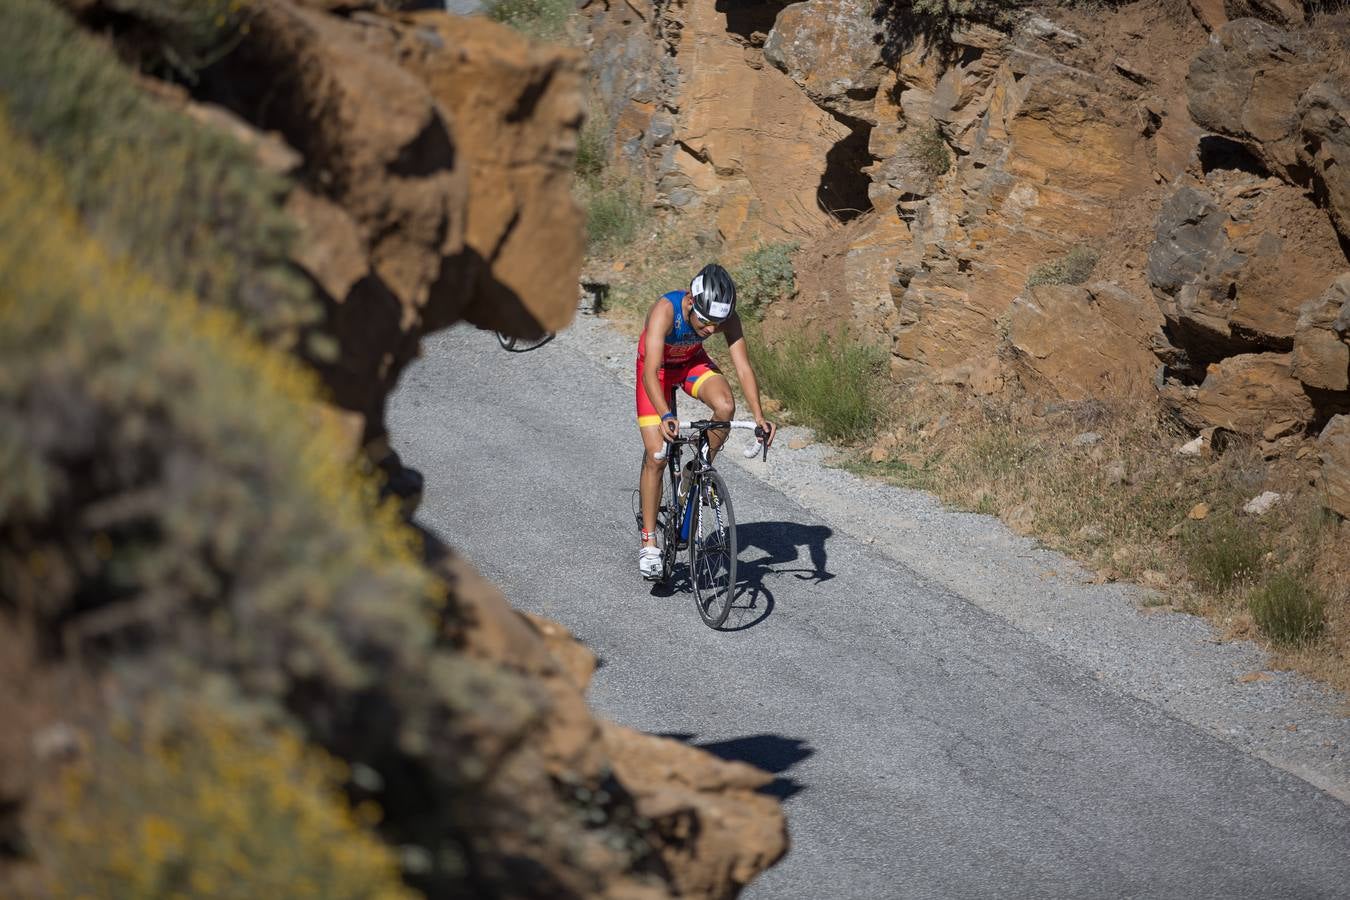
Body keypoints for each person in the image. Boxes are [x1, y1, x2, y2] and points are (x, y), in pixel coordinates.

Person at [636, 263, 776, 579]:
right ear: (690, 300)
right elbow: (650, 371)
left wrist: (759, 416)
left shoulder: (723, 319)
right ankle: (649, 542)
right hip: (655, 372)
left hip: (690, 365)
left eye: (719, 323)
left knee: (725, 406)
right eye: (706, 321)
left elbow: (742, 367)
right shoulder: (665, 310)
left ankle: (696, 466)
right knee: (657, 455)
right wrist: (667, 415)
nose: (712, 330)